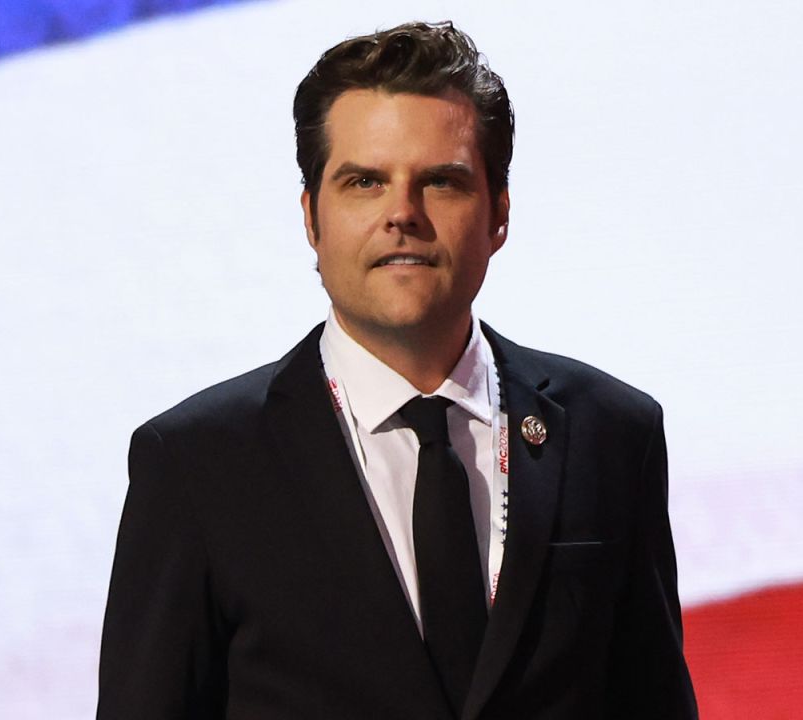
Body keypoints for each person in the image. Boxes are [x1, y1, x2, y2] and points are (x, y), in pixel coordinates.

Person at [97, 21, 697, 719]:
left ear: (498, 214)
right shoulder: (196, 463)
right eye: (364, 182)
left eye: (441, 183)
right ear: (311, 219)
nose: (402, 215)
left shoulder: (610, 433)